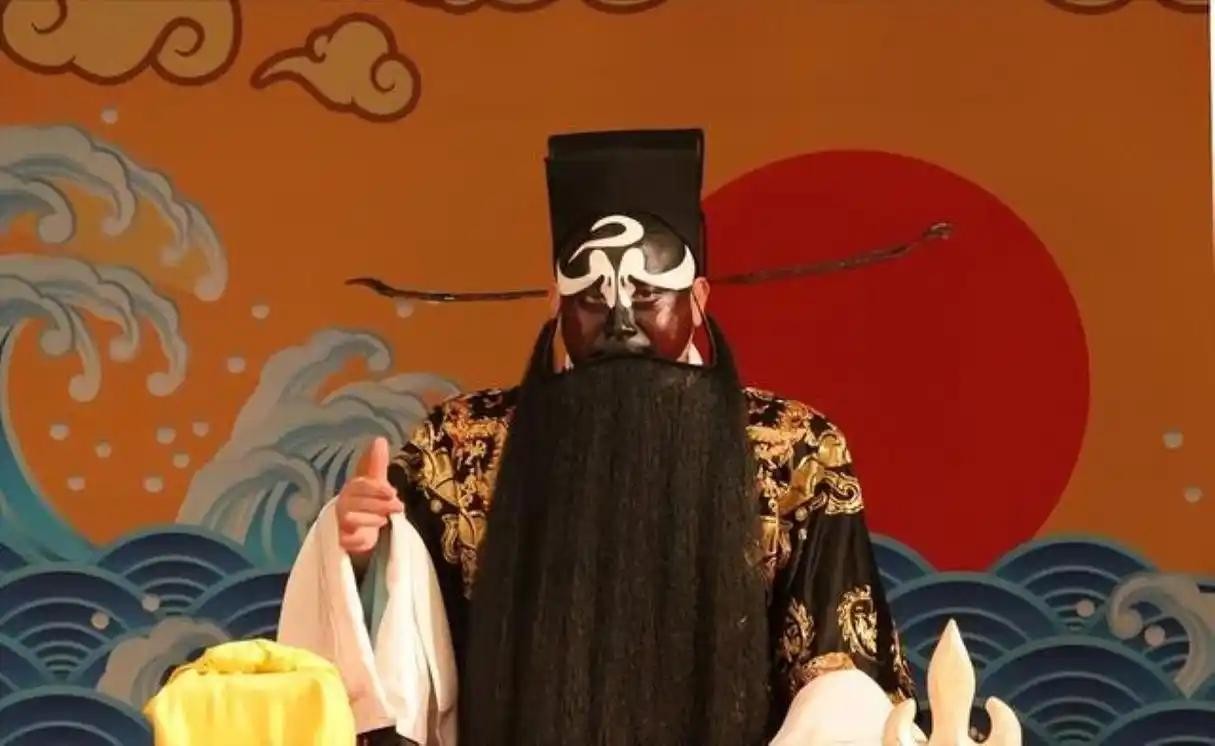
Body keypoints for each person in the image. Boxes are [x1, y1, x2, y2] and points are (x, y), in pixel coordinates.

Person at [280, 128, 916, 746]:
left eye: (647, 295)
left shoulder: (793, 451)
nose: (621, 324)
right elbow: (409, 649)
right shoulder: (462, 446)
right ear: (554, 301)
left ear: (698, 299)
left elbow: (841, 670)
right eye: (591, 298)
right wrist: (362, 555)